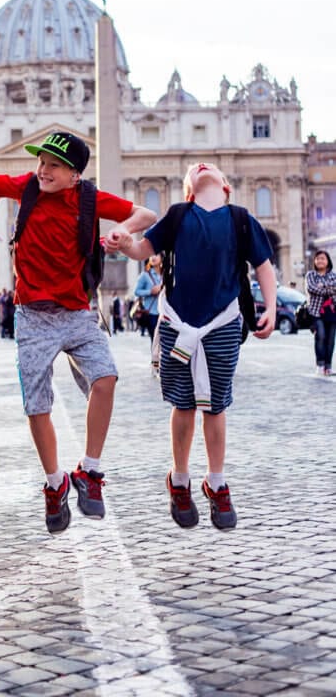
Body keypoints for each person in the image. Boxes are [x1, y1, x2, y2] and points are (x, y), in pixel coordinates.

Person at [0, 131, 156, 534]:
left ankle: (89, 471)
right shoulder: (27, 186)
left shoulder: (90, 199)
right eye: (41, 162)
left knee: (106, 378)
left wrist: (122, 232)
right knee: (37, 405)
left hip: (77, 311)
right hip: (31, 315)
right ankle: (55, 482)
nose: (43, 170)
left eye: (53, 165)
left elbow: (146, 215)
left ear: (75, 175)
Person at [116, 161, 276, 531]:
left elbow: (263, 266)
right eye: (195, 170)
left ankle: (216, 481)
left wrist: (269, 306)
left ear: (225, 186)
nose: (202, 167)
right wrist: (125, 243)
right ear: (188, 190)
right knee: (183, 405)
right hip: (178, 323)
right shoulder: (177, 215)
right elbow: (143, 250)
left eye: (212, 169)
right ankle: (180, 478)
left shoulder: (240, 218)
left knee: (216, 406)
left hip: (222, 322)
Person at [305, 250, 336, 376]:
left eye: (323, 258)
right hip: (316, 311)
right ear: (314, 261)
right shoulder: (310, 275)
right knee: (321, 336)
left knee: (330, 340)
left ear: (328, 261)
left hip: (333, 311)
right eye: (318, 258)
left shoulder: (333, 275)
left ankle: (328, 367)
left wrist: (322, 286)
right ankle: (320, 364)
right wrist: (329, 289)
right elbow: (312, 289)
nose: (320, 261)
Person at [134, 253, 163, 374]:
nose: (153, 257)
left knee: (164, 340)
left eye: (156, 254)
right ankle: (155, 366)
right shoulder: (145, 276)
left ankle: (163, 364)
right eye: (151, 255)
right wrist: (150, 291)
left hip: (165, 313)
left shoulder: (167, 274)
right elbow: (137, 291)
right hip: (151, 313)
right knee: (155, 340)